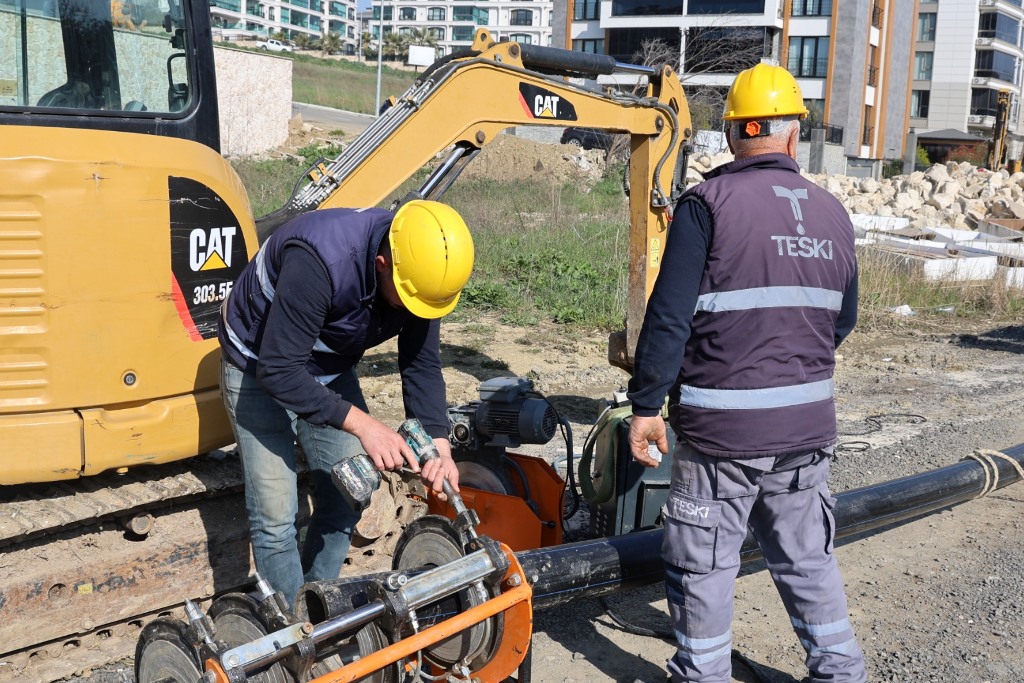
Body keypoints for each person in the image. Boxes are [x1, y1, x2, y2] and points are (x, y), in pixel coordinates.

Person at [626, 63, 865, 683]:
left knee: (705, 567)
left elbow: (669, 318)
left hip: (722, 437)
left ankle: (703, 674)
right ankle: (840, 671)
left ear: (732, 136)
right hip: (806, 433)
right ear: (792, 137)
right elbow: (841, 322)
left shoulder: (707, 206)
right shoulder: (835, 215)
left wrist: (647, 407)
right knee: (807, 559)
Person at [218, 200, 474, 607]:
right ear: (382, 263)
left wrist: (440, 446)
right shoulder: (320, 261)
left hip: (325, 364)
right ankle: (293, 635)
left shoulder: (421, 274)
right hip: (257, 364)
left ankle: (318, 607)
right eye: (405, 301)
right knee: (276, 519)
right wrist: (365, 426)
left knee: (350, 492)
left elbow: (422, 364)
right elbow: (279, 370)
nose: (412, 311)